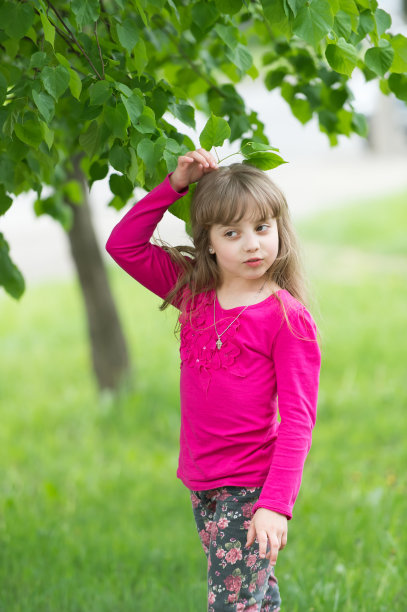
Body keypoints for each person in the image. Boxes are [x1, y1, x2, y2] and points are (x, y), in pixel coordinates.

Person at [106, 148, 321, 611]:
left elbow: (299, 421)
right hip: (202, 481)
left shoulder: (286, 318)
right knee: (253, 600)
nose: (252, 245)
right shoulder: (194, 292)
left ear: (279, 229)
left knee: (232, 604)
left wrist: (274, 504)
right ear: (207, 241)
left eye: (262, 228)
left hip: (250, 487)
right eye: (232, 233)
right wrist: (175, 185)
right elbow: (122, 246)